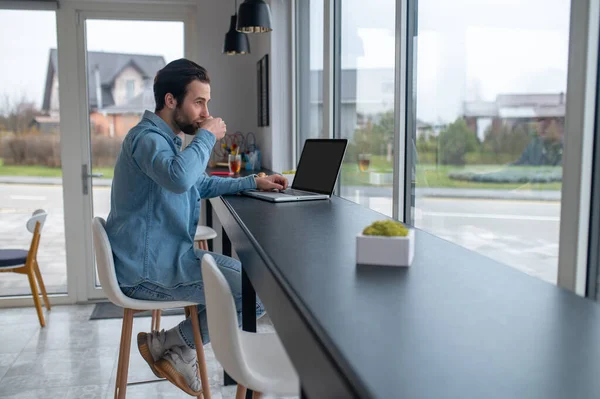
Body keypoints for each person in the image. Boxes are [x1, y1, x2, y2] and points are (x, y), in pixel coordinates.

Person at [105, 58, 287, 395]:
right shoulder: (146, 139)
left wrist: (252, 181)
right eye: (199, 101)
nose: (206, 112)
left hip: (165, 260)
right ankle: (175, 346)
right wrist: (205, 137)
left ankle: (171, 344)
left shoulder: (165, 140)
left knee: (248, 286)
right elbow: (179, 178)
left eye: (207, 102)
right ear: (171, 100)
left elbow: (196, 184)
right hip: (147, 272)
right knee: (254, 293)